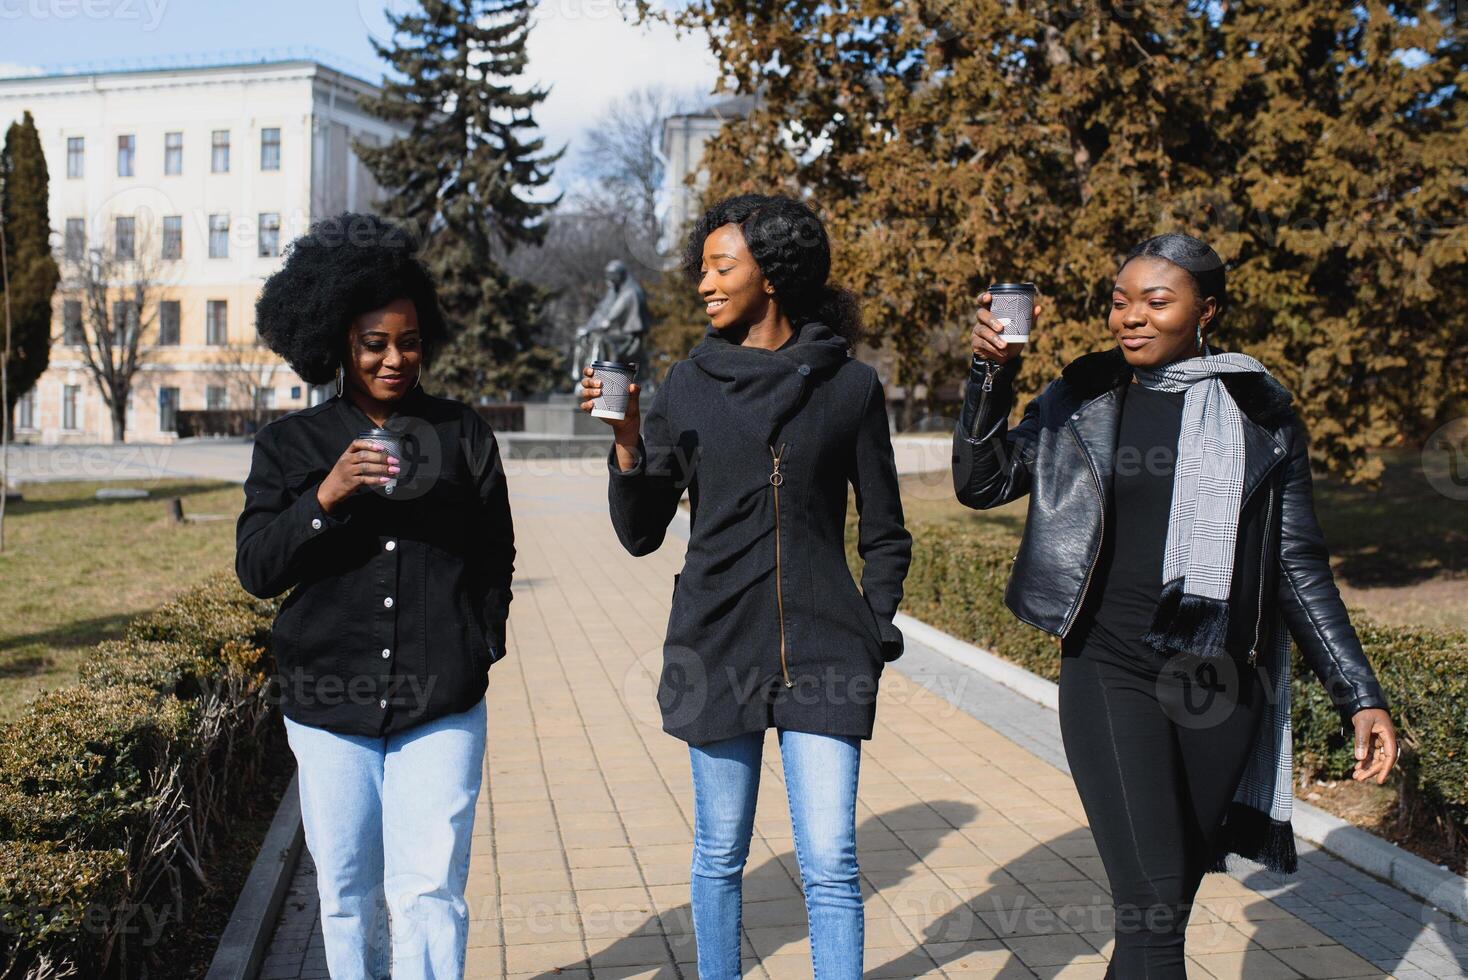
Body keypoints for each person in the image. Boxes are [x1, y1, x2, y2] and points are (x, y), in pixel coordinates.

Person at [952, 233, 1399, 977]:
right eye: (1121, 302)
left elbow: (1297, 565)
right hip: (1110, 669)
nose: (1132, 317)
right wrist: (988, 376)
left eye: (1156, 302)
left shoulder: (1261, 411)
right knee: (1154, 914)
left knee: (1158, 910)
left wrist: (1359, 692)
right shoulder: (1081, 396)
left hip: (1222, 685)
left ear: (1206, 311)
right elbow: (982, 482)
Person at [581, 194, 912, 980]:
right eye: (703, 268)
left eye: (721, 266)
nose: (704, 283)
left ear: (772, 276)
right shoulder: (686, 387)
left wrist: (876, 625)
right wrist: (628, 446)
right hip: (716, 641)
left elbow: (887, 528)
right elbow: (640, 533)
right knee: (720, 852)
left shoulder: (851, 387)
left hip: (829, 649)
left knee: (831, 859)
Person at [236, 212, 514, 980]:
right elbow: (257, 568)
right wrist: (326, 495)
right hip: (328, 706)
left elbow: (497, 551)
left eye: (410, 340)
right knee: (348, 890)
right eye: (375, 343)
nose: (397, 358)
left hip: (442, 700)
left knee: (428, 890)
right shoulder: (289, 447)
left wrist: (481, 639)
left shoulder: (462, 435)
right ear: (336, 345)